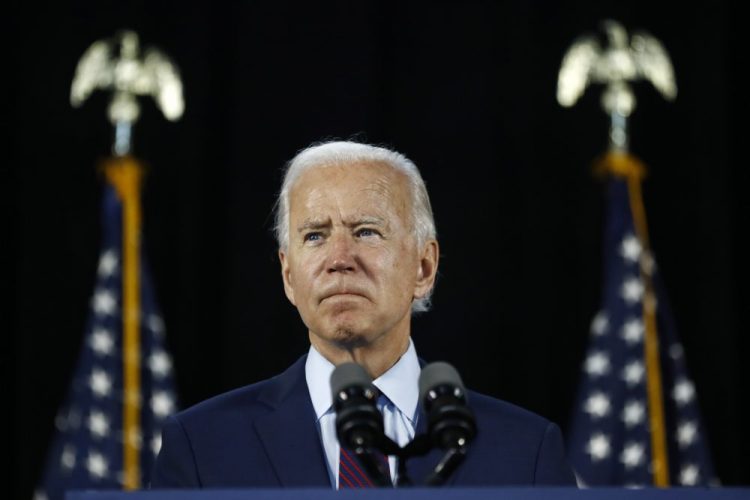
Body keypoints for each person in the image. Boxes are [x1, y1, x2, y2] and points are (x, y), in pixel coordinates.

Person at [151, 140, 576, 488]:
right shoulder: (202, 447)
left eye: (366, 232)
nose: (339, 259)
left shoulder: (525, 452)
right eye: (315, 235)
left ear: (424, 268)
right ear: (288, 276)